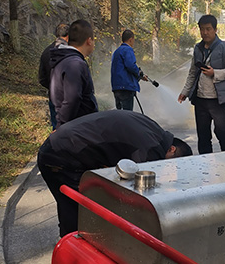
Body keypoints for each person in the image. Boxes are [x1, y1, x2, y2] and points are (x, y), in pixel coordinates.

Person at [37, 110, 193, 237]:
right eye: (170, 166)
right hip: (59, 155)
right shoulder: (150, 150)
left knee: (79, 207)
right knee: (80, 210)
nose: (165, 171)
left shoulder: (154, 131)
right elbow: (137, 192)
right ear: (172, 149)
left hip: (64, 146)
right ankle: (72, 252)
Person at [178, 14, 225, 154]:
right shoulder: (198, 48)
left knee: (223, 132)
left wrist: (215, 73)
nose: (205, 32)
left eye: (208, 29)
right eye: (202, 29)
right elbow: (193, 72)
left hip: (218, 100)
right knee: (203, 136)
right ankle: (205, 164)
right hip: (200, 100)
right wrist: (185, 91)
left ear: (215, 29)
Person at [49, 19, 98, 126]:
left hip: (72, 127)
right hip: (78, 129)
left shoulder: (63, 59)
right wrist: (61, 125)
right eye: (93, 41)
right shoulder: (75, 64)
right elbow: (72, 99)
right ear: (89, 41)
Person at [38, 23, 69, 130]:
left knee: (56, 128)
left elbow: (42, 78)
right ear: (68, 36)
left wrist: (52, 87)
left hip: (53, 96)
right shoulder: (70, 52)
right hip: (69, 97)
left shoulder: (46, 51)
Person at [111, 29, 148, 111]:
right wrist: (139, 73)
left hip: (117, 88)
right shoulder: (128, 49)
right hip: (126, 88)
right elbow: (130, 65)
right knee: (127, 114)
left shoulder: (117, 51)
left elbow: (122, 68)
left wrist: (140, 76)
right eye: (133, 40)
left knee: (120, 114)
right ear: (131, 39)